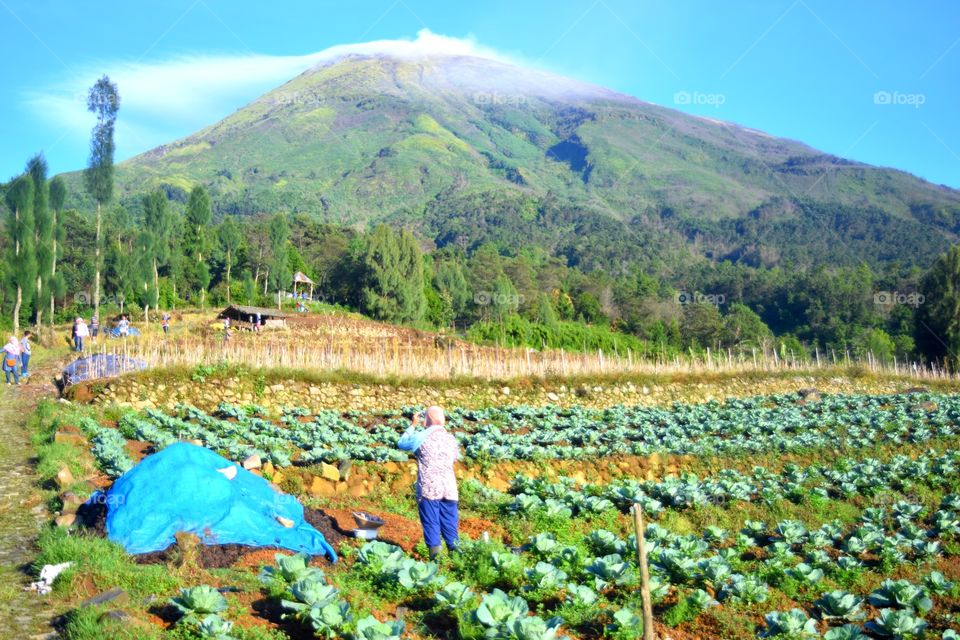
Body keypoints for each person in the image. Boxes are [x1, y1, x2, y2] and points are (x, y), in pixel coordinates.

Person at [397, 406, 460, 560]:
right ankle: (458, 559)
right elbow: (455, 458)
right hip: (449, 488)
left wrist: (413, 425)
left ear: (426, 421)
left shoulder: (421, 436)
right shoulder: (451, 439)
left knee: (431, 522)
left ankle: (436, 561)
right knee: (450, 522)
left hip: (430, 487)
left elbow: (402, 443)